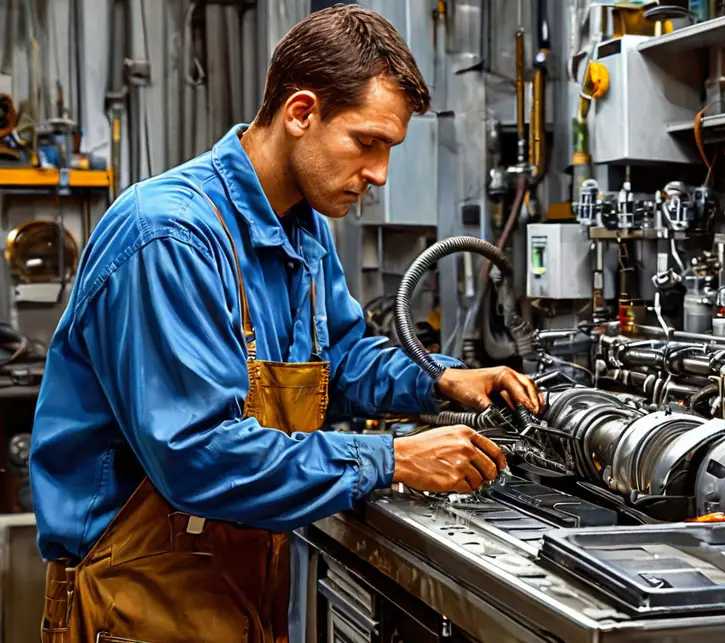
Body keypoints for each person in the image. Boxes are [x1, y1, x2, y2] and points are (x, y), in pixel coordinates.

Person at [30, 6, 541, 642]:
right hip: (134, 602)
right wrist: (393, 458)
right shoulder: (169, 236)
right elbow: (198, 457)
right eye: (367, 142)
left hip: (237, 588)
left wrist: (441, 380)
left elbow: (340, 361)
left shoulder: (302, 231)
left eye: (390, 149)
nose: (379, 174)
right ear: (301, 113)